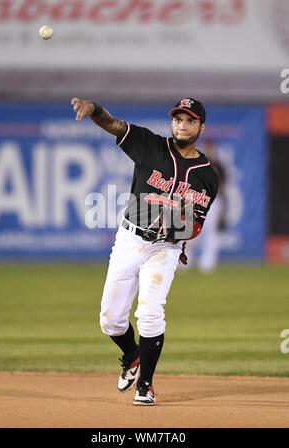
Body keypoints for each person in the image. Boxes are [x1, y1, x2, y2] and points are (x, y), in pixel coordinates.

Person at [71, 97, 219, 406]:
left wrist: (176, 227)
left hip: (165, 249)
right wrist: (95, 109)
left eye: (190, 120)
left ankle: (146, 385)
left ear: (201, 127)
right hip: (129, 239)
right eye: (178, 119)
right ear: (172, 123)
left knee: (151, 312)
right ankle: (132, 356)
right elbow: (114, 125)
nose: (182, 124)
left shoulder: (207, 175)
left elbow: (196, 225)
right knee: (110, 320)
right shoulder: (150, 145)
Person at [183, 139, 227, 272]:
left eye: (210, 147)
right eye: (206, 147)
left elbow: (224, 186)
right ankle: (186, 259)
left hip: (213, 201)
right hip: (195, 199)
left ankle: (208, 261)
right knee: (189, 230)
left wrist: (224, 205)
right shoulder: (194, 164)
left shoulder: (218, 165)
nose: (208, 150)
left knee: (210, 231)